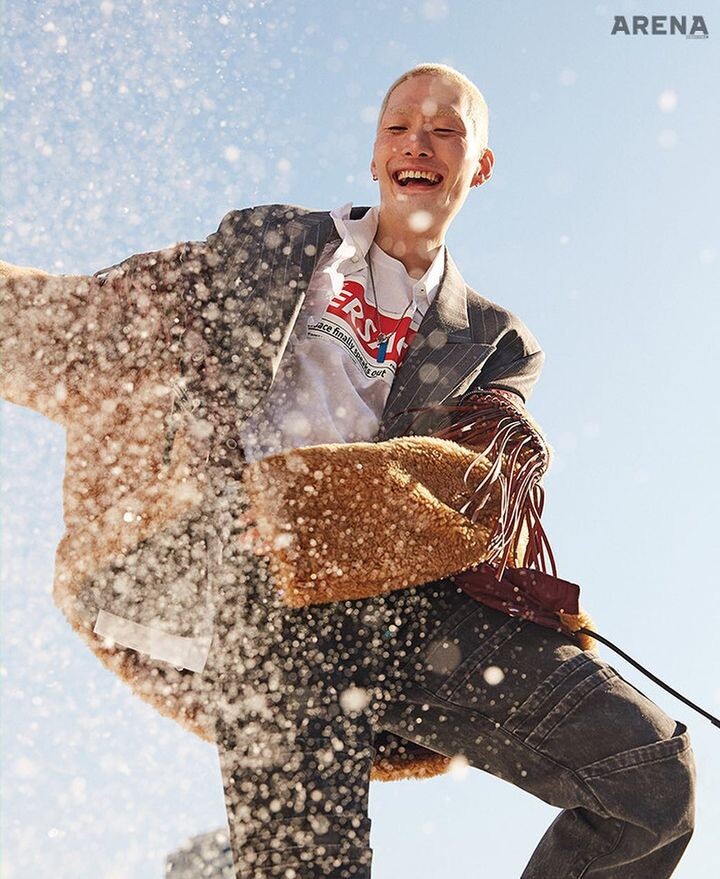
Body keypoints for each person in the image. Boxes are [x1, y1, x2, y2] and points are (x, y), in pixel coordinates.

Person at [0, 64, 696, 879]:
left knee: (649, 779)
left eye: (445, 131)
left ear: (479, 165)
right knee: (308, 853)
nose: (418, 144)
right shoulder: (268, 244)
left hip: (401, 605)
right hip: (242, 572)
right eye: (399, 127)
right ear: (374, 156)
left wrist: (324, 501)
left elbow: (467, 481)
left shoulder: (497, 342)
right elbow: (105, 316)